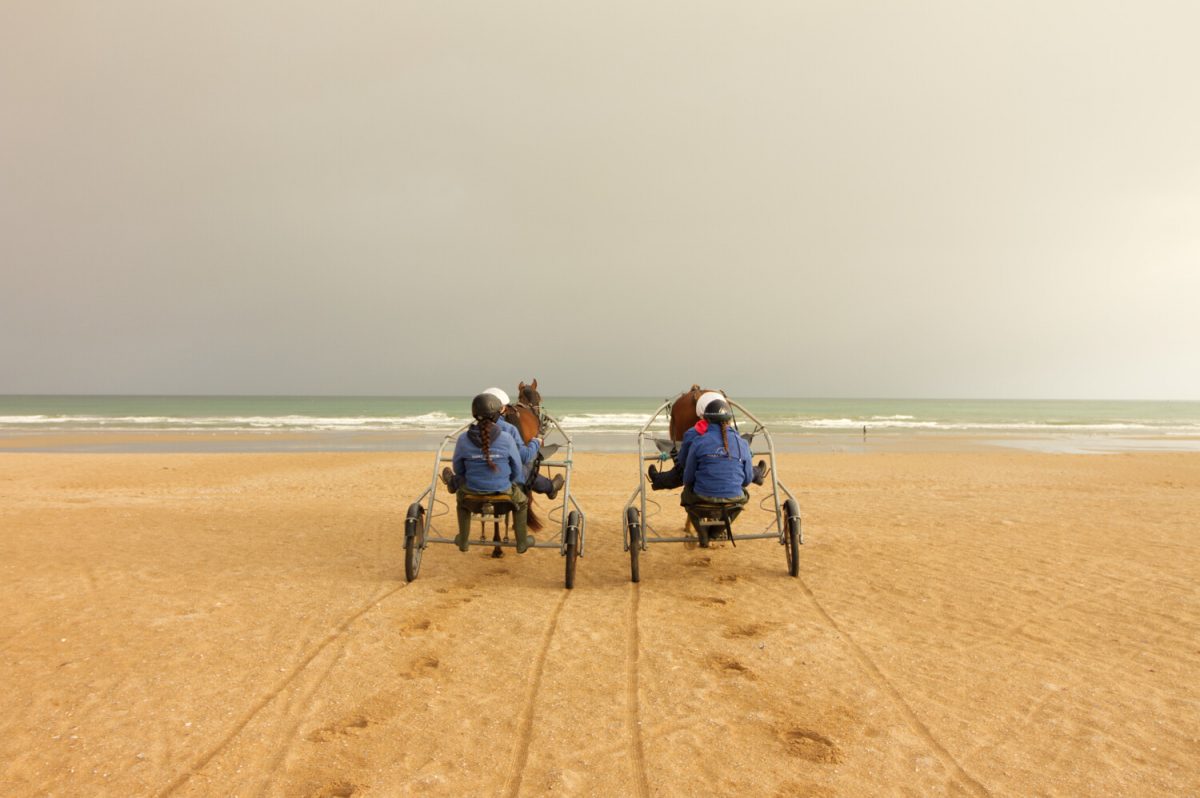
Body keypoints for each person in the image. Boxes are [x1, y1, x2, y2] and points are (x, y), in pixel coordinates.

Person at [450, 393, 536, 553]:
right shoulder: (507, 438)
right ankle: (522, 543)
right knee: (522, 502)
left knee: (461, 502)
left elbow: (458, 468)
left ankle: (463, 540)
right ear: (498, 415)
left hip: (472, 498)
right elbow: (517, 469)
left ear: (474, 414)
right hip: (504, 497)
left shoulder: (462, 439)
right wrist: (507, 480)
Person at [442, 387, 563, 498]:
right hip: (503, 482)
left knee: (471, 468)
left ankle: (453, 482)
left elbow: (459, 467)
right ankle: (549, 487)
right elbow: (523, 458)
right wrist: (536, 442)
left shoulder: (466, 435)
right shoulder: (509, 431)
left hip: (472, 482)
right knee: (526, 467)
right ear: (502, 408)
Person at [648, 391, 765, 490]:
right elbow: (746, 480)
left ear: (702, 414)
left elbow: (685, 470)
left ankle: (658, 480)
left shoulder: (695, 438)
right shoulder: (739, 440)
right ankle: (758, 473)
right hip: (735, 498)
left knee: (682, 473)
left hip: (701, 490)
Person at [681, 398, 755, 524]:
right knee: (745, 495)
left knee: (685, 495)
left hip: (702, 497)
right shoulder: (742, 443)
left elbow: (688, 478)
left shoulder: (698, 442)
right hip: (733, 499)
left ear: (706, 420)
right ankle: (719, 529)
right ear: (729, 420)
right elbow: (747, 479)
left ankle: (700, 530)